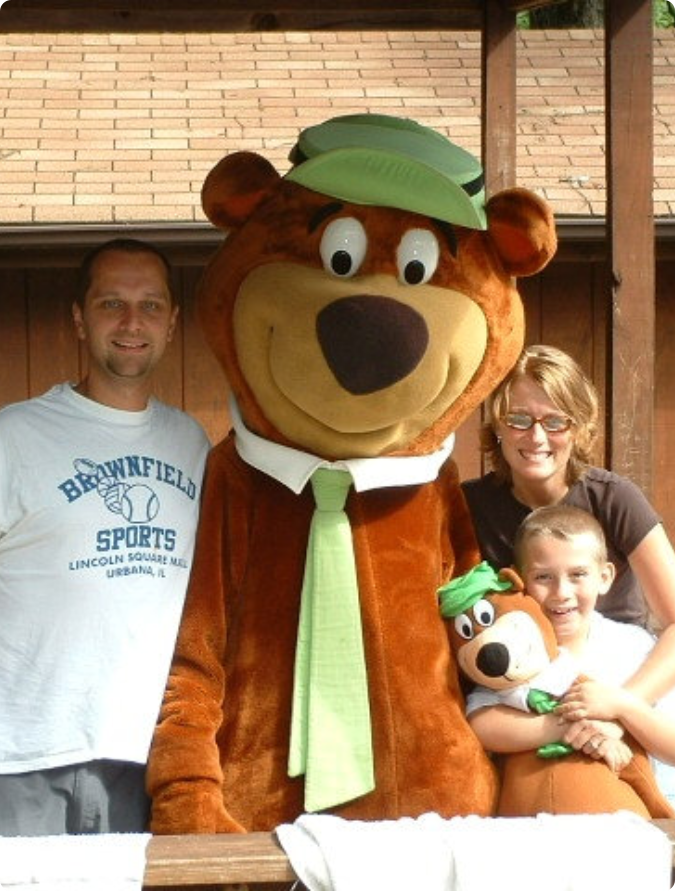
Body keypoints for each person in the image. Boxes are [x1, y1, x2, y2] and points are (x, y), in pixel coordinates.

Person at [0, 238, 210, 836]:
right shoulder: (14, 438)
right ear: (78, 319)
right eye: (110, 303)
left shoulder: (190, 443)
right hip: (24, 757)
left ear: (171, 323)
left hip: (146, 759)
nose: (130, 323)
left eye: (149, 306)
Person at [461, 343, 675, 704]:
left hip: (618, 677)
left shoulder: (614, 499)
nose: (537, 437)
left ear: (578, 427)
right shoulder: (468, 506)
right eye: (519, 419)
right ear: (498, 425)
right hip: (515, 689)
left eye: (556, 421)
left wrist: (620, 709)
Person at [466, 504, 675, 803]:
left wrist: (623, 708)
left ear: (604, 577)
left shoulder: (633, 646)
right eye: (543, 577)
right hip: (541, 811)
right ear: (520, 580)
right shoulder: (514, 648)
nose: (561, 591)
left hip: (637, 812)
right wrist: (564, 727)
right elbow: (481, 723)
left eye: (578, 574)